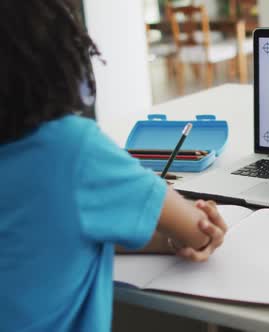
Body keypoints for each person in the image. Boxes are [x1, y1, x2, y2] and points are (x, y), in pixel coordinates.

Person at [0, 1, 227, 331]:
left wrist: (168, 236)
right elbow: (196, 231)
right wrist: (198, 229)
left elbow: (55, 236)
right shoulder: (72, 150)